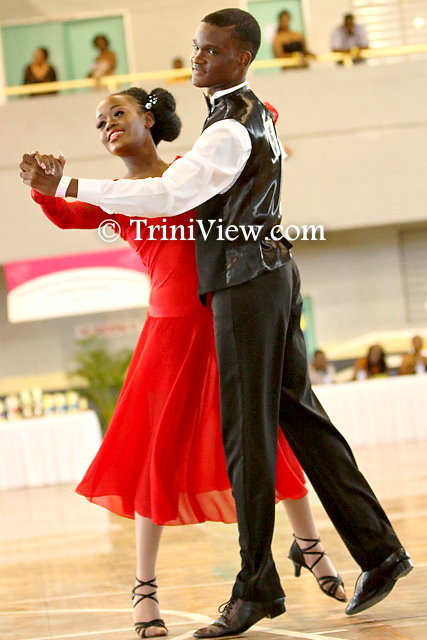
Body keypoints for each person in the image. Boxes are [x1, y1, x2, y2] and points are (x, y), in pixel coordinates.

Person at [20, 8, 412, 637]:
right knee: (298, 420)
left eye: (211, 50)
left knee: (250, 437)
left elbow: (168, 195)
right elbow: (124, 202)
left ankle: (260, 587)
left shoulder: (227, 127)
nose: (197, 58)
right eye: (196, 48)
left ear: (242, 57)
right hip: (259, 276)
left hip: (244, 281)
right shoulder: (243, 116)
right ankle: (379, 552)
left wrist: (68, 182)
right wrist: (51, 190)